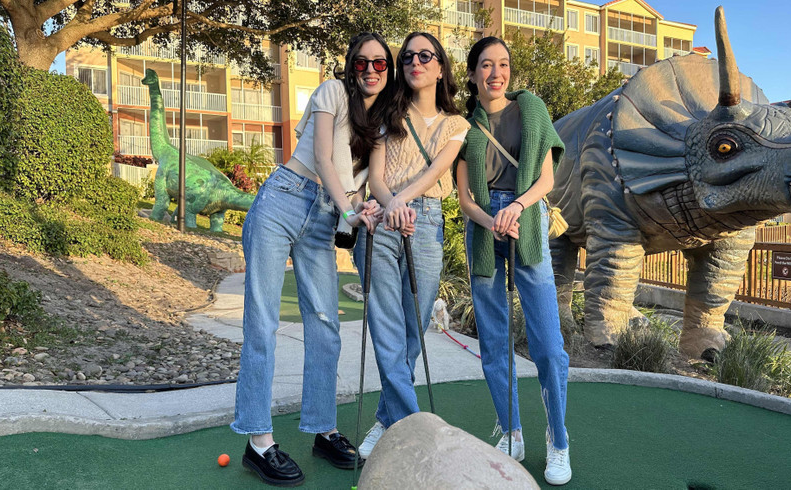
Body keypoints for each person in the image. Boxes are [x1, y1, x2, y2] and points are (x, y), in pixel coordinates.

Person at [231, 33, 394, 486]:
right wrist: (349, 207)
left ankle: (323, 429)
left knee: (324, 324)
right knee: (262, 323)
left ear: (389, 70)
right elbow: (323, 157)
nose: (370, 70)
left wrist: (376, 207)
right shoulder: (331, 92)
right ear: (350, 66)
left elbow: (369, 181)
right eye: (361, 62)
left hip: (325, 216)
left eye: (380, 64)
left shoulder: (381, 123)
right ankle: (258, 442)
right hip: (284, 199)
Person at [455, 36, 572, 486]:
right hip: (484, 230)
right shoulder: (464, 126)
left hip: (526, 220)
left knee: (547, 342)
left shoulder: (532, 109)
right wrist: (492, 219)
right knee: (494, 339)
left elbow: (546, 177)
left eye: (502, 64)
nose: (495, 73)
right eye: (486, 65)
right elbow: (465, 198)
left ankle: (558, 439)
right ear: (472, 73)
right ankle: (512, 431)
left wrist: (517, 208)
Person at [353, 32, 470, 458]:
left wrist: (404, 201)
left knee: (412, 331)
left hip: (426, 219)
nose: (415, 62)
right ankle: (415, 426)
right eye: (407, 57)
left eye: (425, 55)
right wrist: (391, 205)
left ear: (440, 66)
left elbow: (438, 168)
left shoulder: (457, 124)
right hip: (383, 220)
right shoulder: (389, 114)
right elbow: (378, 178)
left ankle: (387, 419)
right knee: (386, 326)